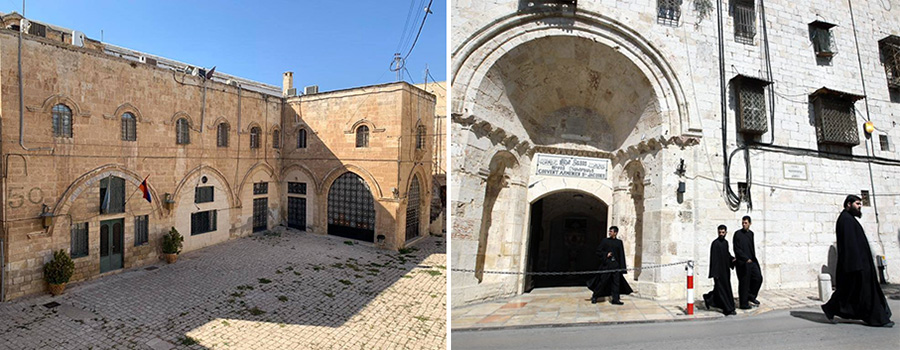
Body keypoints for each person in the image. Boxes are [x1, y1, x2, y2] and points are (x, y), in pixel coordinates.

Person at [821, 195, 893, 327]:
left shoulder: (849, 219)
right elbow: (850, 246)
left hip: (859, 264)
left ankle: (830, 308)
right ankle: (877, 319)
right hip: (857, 265)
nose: (860, 206)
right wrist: (856, 266)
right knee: (864, 293)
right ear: (849, 204)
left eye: (860, 204)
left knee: (849, 292)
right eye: (857, 204)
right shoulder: (846, 220)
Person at [587, 226, 633, 305]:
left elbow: (621, 255)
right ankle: (595, 296)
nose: (610, 233)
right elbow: (598, 251)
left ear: (615, 233)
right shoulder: (605, 241)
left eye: (611, 231)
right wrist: (606, 255)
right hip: (607, 265)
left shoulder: (619, 242)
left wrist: (622, 268)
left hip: (616, 265)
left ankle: (615, 299)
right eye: (609, 231)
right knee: (602, 281)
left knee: (616, 283)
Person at [703, 225, 737, 315]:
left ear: (726, 232)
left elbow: (726, 254)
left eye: (723, 232)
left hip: (725, 270)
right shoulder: (715, 243)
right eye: (720, 232)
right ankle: (727, 309)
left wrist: (732, 259)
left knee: (723, 289)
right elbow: (713, 259)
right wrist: (715, 273)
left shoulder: (725, 243)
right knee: (722, 290)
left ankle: (708, 298)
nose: (721, 234)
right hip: (718, 272)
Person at [733, 215, 762, 309]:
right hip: (742, 262)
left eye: (746, 223)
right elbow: (736, 249)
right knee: (744, 282)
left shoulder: (751, 234)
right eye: (743, 223)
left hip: (752, 260)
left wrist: (752, 259)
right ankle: (744, 304)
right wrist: (745, 258)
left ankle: (751, 296)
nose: (744, 224)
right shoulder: (737, 234)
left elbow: (751, 248)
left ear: (750, 223)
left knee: (758, 278)